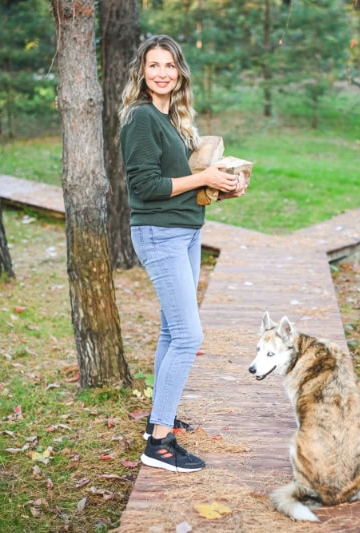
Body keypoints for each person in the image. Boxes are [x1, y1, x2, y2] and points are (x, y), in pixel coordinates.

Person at [118, 34, 247, 473]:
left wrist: (222, 182)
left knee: (173, 333)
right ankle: (159, 444)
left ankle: (162, 417)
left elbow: (183, 182)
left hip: (185, 231)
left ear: (179, 73)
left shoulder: (169, 117)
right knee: (190, 336)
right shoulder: (140, 119)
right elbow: (145, 188)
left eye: (169, 66)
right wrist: (203, 176)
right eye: (154, 65)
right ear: (142, 72)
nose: (162, 73)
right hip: (160, 235)